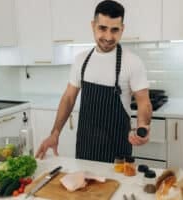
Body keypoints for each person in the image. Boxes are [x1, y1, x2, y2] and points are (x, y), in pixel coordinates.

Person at [35, 0, 152, 163]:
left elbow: (144, 102)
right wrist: (55, 133)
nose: (108, 37)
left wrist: (143, 127)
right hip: (86, 149)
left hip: (118, 153)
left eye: (115, 30)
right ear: (93, 26)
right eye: (102, 28)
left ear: (122, 29)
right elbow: (68, 98)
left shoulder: (132, 62)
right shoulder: (81, 60)